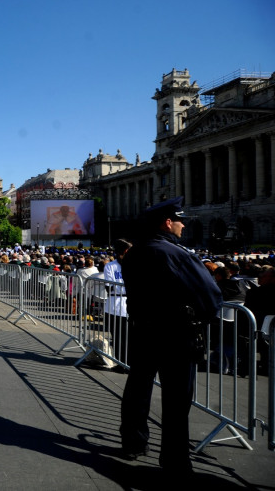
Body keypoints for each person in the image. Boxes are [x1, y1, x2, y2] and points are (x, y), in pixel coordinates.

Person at [119, 196, 222, 473]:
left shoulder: (135, 252)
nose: (183, 227)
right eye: (180, 221)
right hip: (176, 335)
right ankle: (175, 461)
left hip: (143, 330)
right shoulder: (176, 254)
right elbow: (211, 296)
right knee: (177, 401)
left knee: (138, 389)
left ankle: (133, 442)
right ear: (168, 222)